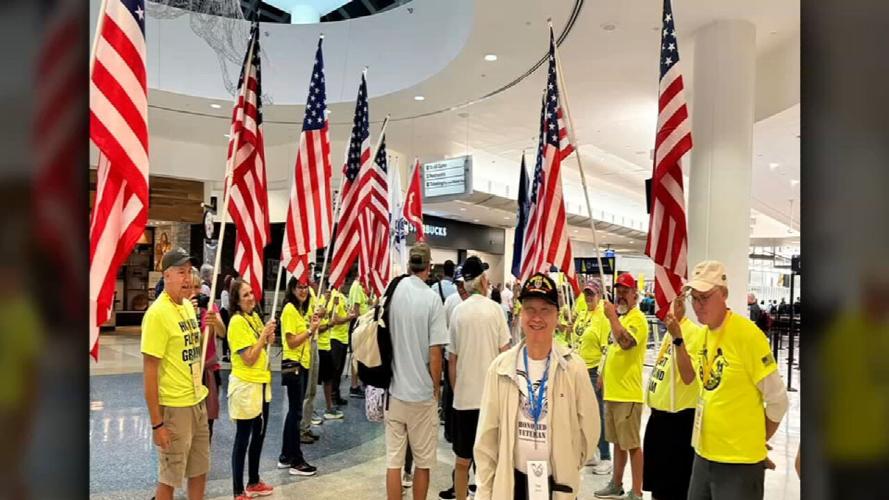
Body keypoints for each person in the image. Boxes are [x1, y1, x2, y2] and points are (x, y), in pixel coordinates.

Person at [474, 272, 598, 499]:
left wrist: (568, 463)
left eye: (545, 310)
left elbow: (589, 430)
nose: (537, 318)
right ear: (521, 314)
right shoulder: (501, 368)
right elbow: (486, 438)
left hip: (557, 483)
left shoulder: (573, 368)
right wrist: (484, 491)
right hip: (512, 482)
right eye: (530, 309)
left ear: (557, 316)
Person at [684, 261, 789, 500]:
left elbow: (778, 401)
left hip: (738, 463)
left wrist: (756, 439)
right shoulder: (704, 335)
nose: (698, 306)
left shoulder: (748, 336)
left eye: (705, 297)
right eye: (695, 298)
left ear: (724, 294)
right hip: (703, 454)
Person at [141, 248, 210, 500]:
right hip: (174, 406)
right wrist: (157, 423)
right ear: (166, 275)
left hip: (196, 400)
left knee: (199, 470)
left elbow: (192, 350)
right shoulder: (157, 314)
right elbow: (150, 371)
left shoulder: (187, 308)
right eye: (181, 272)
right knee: (169, 479)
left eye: (189, 272)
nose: (187, 278)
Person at [385, 242, 448, 500]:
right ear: (429, 266)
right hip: (421, 395)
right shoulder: (432, 300)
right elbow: (435, 354)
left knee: (393, 461)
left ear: (410, 265)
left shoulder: (393, 291)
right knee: (422, 462)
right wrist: (436, 387)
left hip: (394, 391)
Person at [447, 256, 511, 500]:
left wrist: (457, 388)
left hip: (464, 400)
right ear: (483, 281)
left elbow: (452, 359)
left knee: (462, 461)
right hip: (491, 401)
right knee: (490, 463)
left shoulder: (458, 312)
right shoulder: (495, 311)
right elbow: (505, 355)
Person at [641, 294, 702, 500]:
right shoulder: (669, 332)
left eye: (672, 300)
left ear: (682, 301)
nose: (666, 307)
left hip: (679, 423)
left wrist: (678, 338)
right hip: (659, 419)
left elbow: (688, 376)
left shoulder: (694, 333)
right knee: (658, 488)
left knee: (675, 489)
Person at [594, 272, 648, 500]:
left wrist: (612, 318)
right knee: (617, 443)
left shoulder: (637, 319)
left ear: (635, 294)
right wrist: (602, 373)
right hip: (613, 392)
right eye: (618, 292)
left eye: (625, 292)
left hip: (628, 394)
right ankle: (616, 484)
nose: (621, 296)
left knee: (632, 444)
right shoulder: (621, 318)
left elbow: (626, 344)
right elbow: (611, 349)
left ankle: (636, 491)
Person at [227, 278, 277, 499]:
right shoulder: (237, 322)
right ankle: (238, 489)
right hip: (246, 387)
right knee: (243, 437)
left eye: (251, 293)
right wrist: (263, 337)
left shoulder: (254, 317)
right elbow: (248, 357)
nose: (251, 298)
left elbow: (263, 346)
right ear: (236, 301)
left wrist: (268, 338)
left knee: (259, 434)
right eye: (245, 295)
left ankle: (254, 480)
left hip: (261, 384)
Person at [277, 276, 320, 476]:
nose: (303, 291)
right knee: (295, 413)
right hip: (293, 365)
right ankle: (296, 459)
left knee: (294, 412)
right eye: (299, 287)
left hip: (301, 364)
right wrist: (310, 330)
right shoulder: (289, 310)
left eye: (305, 287)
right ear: (291, 289)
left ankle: (286, 456)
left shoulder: (300, 310)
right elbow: (292, 341)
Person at [574, 284, 612, 475]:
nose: (589, 297)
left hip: (593, 370)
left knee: (598, 413)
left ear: (599, 295)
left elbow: (606, 347)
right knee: (585, 413)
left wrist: (602, 372)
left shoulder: (602, 318)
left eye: (592, 294)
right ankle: (593, 451)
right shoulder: (583, 314)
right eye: (586, 294)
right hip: (579, 368)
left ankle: (606, 456)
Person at [187, 269, 226, 441]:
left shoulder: (210, 306)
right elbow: (197, 345)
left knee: (207, 420)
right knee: (190, 419)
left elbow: (223, 333)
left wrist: (214, 321)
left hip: (210, 369)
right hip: (190, 371)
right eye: (190, 287)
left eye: (198, 287)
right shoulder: (182, 309)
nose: (195, 292)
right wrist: (191, 315)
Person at [317, 284, 348, 419]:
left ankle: (330, 406)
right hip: (324, 342)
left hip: (329, 343)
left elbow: (328, 316)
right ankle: (308, 412)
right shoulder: (322, 298)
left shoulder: (339, 297)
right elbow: (324, 320)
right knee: (312, 384)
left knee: (330, 376)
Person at [328, 284, 351, 407]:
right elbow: (334, 318)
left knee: (340, 370)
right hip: (335, 337)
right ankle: (331, 395)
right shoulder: (334, 296)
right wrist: (349, 318)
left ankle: (336, 393)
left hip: (344, 337)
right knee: (334, 369)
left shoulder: (343, 297)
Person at [347, 278, 370, 399]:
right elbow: (356, 311)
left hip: (364, 324)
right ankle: (354, 386)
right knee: (356, 356)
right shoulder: (356, 286)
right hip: (358, 324)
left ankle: (361, 382)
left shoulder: (362, 286)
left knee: (362, 356)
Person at [219, 274, 234, 362]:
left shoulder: (230, 292)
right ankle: (225, 354)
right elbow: (226, 305)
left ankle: (230, 352)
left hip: (229, 313)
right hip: (225, 313)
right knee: (225, 334)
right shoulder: (225, 293)